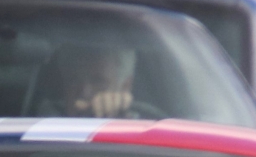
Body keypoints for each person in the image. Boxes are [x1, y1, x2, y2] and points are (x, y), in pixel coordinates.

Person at [30, 41, 160, 120]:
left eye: (98, 82)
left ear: (125, 86)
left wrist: (118, 120)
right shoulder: (44, 125)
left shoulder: (145, 131)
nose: (84, 92)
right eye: (74, 80)